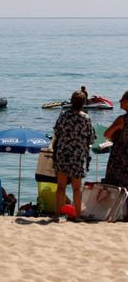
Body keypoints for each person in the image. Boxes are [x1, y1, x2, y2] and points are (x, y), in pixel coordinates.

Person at [53, 91, 96, 222]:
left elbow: (57, 132)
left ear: (71, 101)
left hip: (63, 154)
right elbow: (91, 139)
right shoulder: (85, 118)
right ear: (83, 103)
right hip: (78, 156)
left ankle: (56, 215)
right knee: (76, 189)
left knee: (61, 187)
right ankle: (77, 216)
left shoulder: (64, 116)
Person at [104, 91, 128, 218]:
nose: (119, 101)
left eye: (122, 99)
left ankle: (117, 213)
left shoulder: (122, 119)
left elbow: (107, 134)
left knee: (116, 184)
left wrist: (114, 137)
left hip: (120, 156)